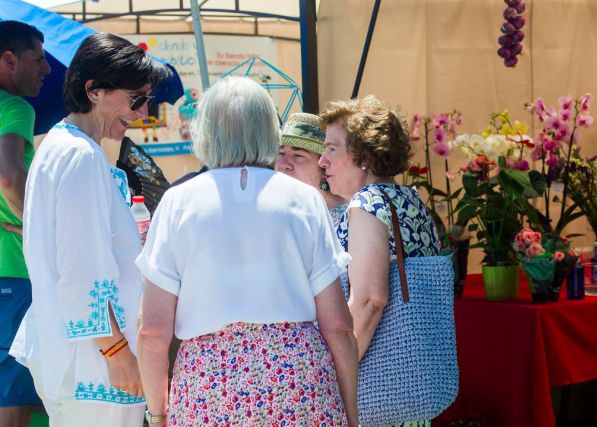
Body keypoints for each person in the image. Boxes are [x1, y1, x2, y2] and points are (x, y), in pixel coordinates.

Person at [135, 76, 359, 427]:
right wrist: (351, 415)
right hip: (297, 380)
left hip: (207, 386)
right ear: (271, 131)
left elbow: (152, 331)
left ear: (205, 132)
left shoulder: (178, 203)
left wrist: (157, 412)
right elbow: (339, 326)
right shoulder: (304, 200)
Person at [9, 33, 168, 427]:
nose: (143, 111)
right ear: (94, 91)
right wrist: (118, 355)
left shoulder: (66, 148)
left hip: (84, 358)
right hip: (92, 365)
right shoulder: (78, 156)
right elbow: (81, 272)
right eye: (136, 99)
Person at [318, 95, 441, 427]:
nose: (321, 161)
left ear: (365, 157)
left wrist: (335, 376)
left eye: (331, 149)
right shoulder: (410, 200)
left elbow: (370, 299)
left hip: (377, 391)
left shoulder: (368, 203)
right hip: (413, 381)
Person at [0, 21, 50, 427]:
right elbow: (7, 175)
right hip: (13, 274)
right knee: (13, 395)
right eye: (38, 59)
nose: (47, 69)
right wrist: (35, 229)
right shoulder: (13, 107)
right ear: (8, 60)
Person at [275, 112, 347, 226]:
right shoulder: (275, 209)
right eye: (281, 153)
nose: (284, 164)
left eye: (298, 155)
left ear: (323, 165)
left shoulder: (351, 217)